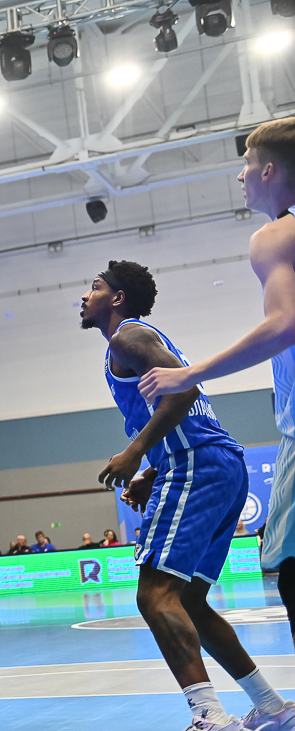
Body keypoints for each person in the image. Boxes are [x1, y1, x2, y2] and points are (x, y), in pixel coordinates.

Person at [81, 258, 292, 731]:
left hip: (197, 465)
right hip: (219, 464)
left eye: (95, 287)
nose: (84, 296)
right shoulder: (140, 340)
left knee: (155, 596)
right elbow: (187, 410)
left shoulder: (127, 338)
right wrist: (152, 471)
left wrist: (136, 453)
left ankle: (212, 725)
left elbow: (184, 391)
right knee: (190, 601)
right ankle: (272, 709)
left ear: (117, 298)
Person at [138, 119, 295, 663]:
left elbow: (284, 324)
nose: (240, 176)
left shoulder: (275, 235)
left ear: (269, 171)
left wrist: (190, 373)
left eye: (246, 165)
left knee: (290, 568)